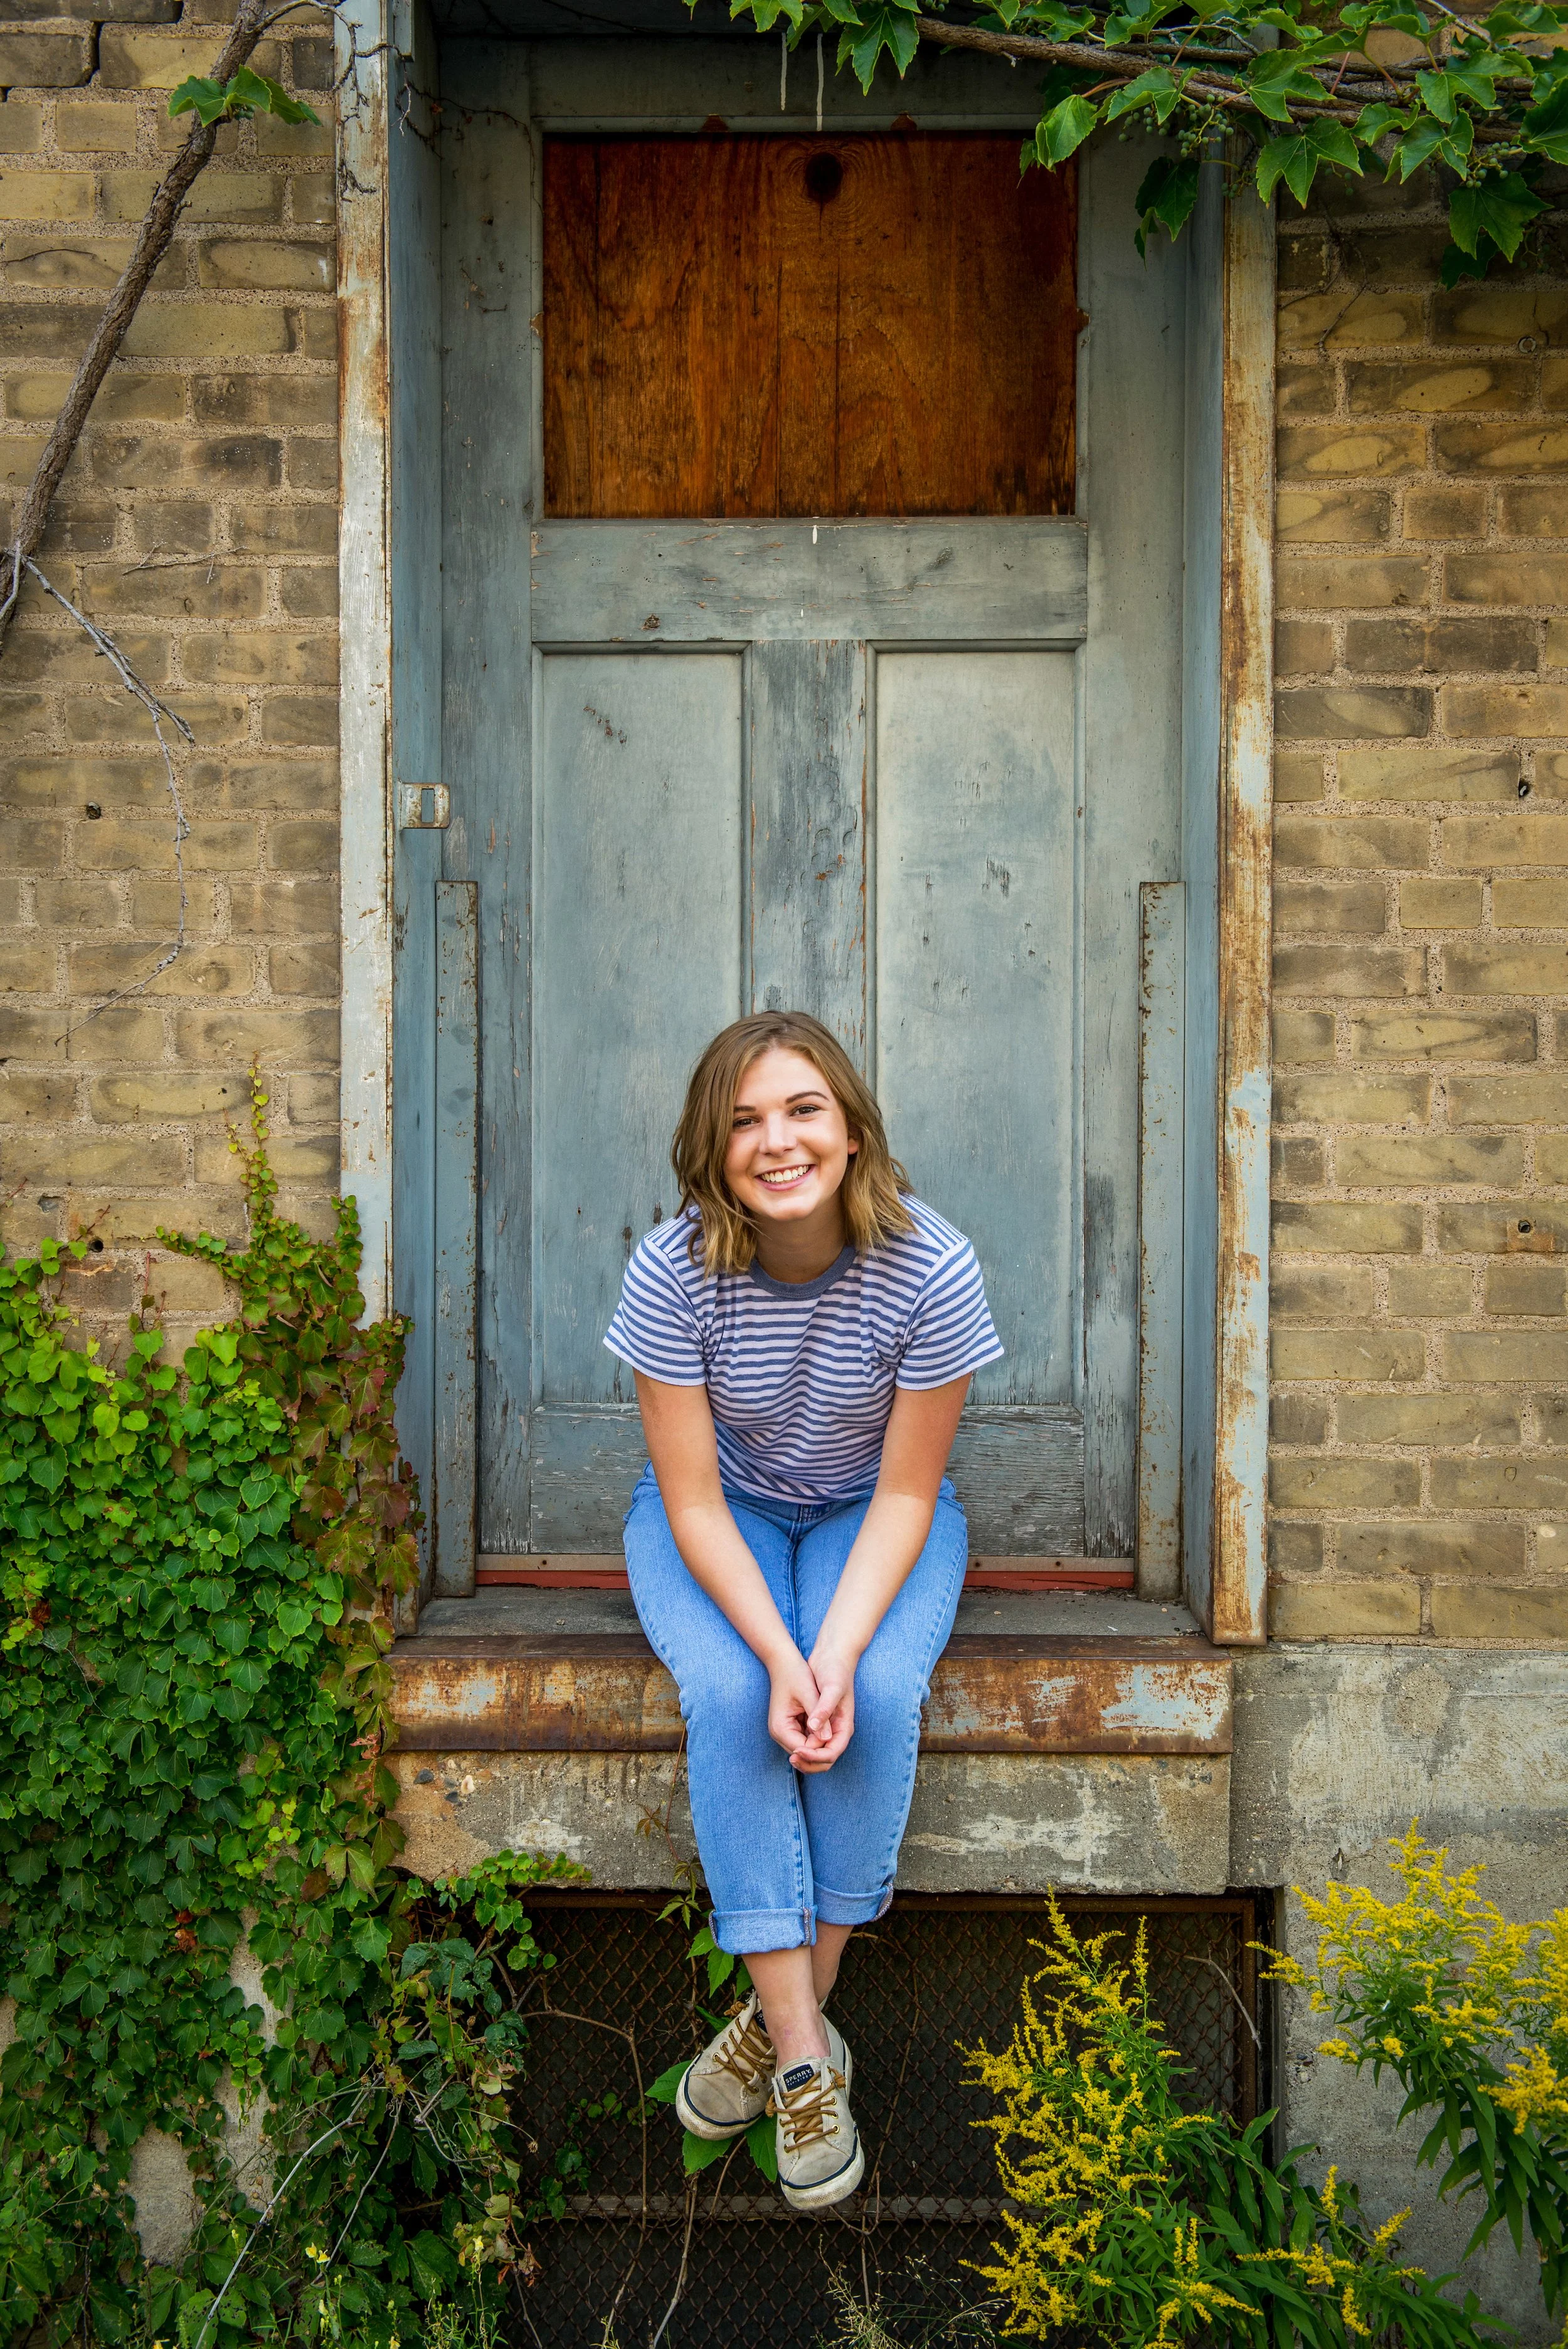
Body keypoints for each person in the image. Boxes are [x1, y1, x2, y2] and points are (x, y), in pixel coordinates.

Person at [604, 1010, 1002, 2212]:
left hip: (872, 1516)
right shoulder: (671, 1273)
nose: (776, 1142)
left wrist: (828, 1657)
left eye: (802, 1110)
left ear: (850, 1127)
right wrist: (780, 1657)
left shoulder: (932, 1266)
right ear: (710, 1148)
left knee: (873, 1694)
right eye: (743, 1121)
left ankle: (777, 2026)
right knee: (732, 1695)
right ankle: (804, 2055)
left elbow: (905, 1490)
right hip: (715, 1518)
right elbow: (690, 1501)